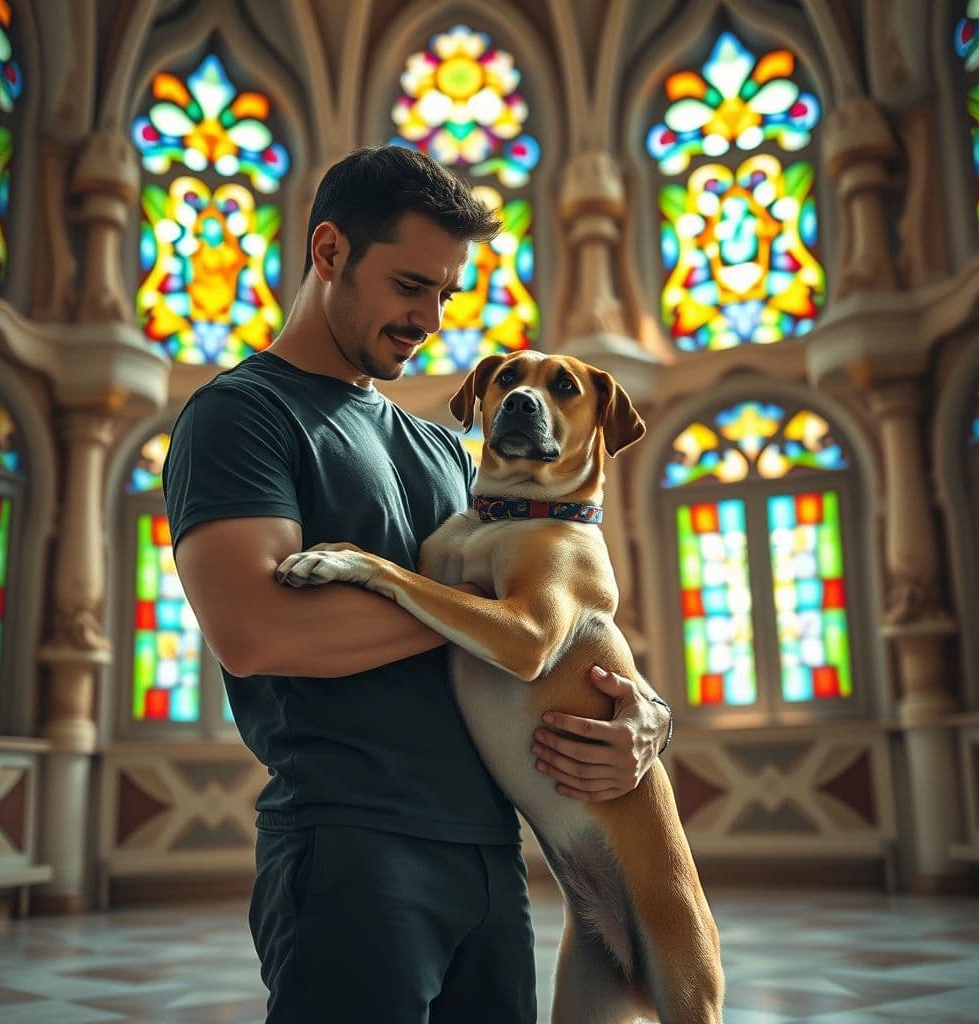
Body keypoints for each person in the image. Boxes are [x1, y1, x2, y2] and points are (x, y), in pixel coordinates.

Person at [164, 145, 672, 1024]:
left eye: (445, 294)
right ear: (330, 254)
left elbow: (565, 614)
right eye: (410, 286)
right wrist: (509, 623)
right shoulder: (241, 415)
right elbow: (255, 632)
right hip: (351, 847)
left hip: (494, 852)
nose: (429, 318)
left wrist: (643, 720)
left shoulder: (449, 450)